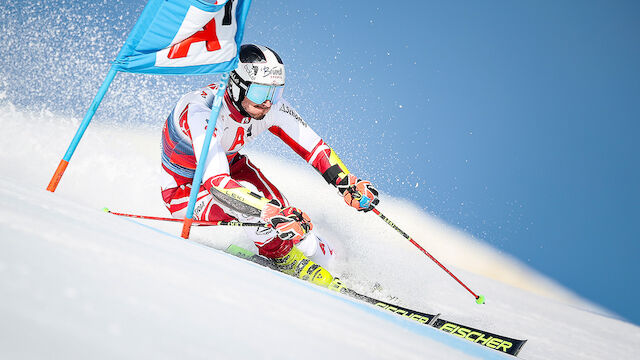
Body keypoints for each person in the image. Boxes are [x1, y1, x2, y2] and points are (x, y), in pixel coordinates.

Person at [160, 44, 379, 288]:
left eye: (274, 93)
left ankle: (339, 270)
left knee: (285, 209)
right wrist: (269, 213)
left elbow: (314, 147)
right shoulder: (203, 112)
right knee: (259, 209)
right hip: (186, 191)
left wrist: (345, 182)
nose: (267, 103)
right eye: (259, 92)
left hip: (231, 167)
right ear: (236, 85)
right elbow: (218, 185)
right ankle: (284, 258)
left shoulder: (270, 108)